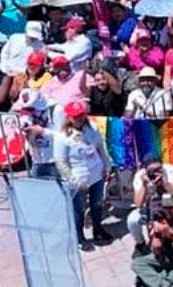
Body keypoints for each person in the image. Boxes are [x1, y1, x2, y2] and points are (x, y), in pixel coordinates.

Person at [53, 99, 111, 249]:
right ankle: (79, 237)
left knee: (97, 204)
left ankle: (98, 230)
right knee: (79, 209)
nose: (79, 118)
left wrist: (106, 165)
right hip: (79, 177)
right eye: (75, 116)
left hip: (96, 173)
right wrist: (74, 181)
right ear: (69, 117)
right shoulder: (62, 136)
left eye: (81, 115)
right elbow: (61, 162)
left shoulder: (92, 127)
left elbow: (100, 147)